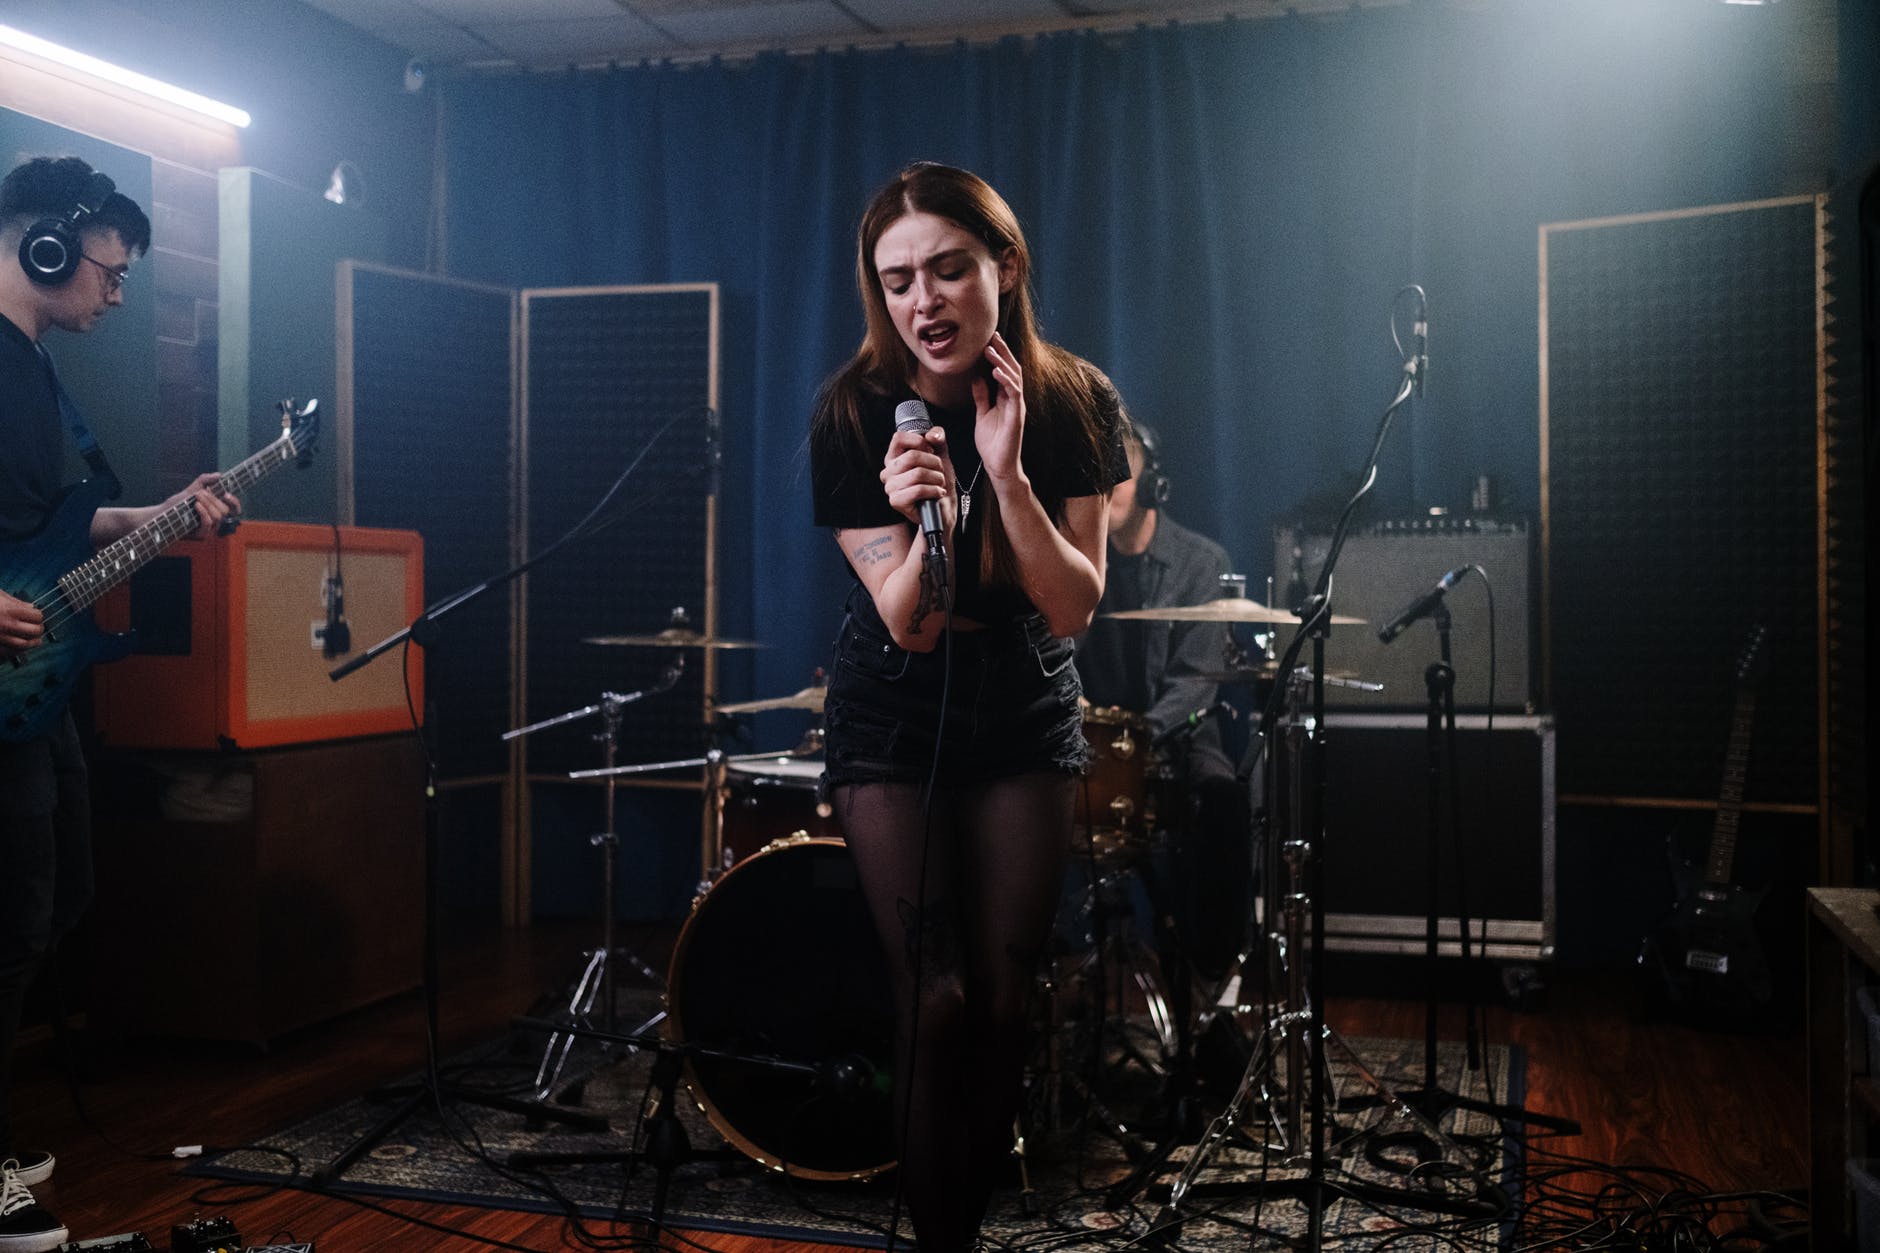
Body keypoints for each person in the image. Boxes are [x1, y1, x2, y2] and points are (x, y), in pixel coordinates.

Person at [808, 161, 1128, 1250]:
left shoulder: (1076, 400)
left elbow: (1073, 605)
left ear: (1006, 267)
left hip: (1025, 694)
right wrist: (925, 514)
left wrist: (1005, 472)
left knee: (1001, 998)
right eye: (897, 279)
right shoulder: (854, 414)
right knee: (932, 996)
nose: (923, 301)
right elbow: (910, 622)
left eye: (948, 269)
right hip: (891, 703)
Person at [0, 156, 238, 1253]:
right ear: (45, 246)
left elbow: (57, 525)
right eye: (110, 270)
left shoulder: (35, 369)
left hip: (35, 695)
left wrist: (166, 513)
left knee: (58, 899)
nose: (118, 293)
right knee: (10, 913)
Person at [1075, 416, 1254, 985]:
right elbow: (1052, 657)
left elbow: (1199, 677)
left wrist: (1135, 740)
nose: (1106, 486)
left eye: (1119, 470)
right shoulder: (1073, 560)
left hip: (1173, 737)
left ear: (1153, 483)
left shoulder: (1203, 562)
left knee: (1221, 796)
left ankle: (1210, 970)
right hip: (1087, 741)